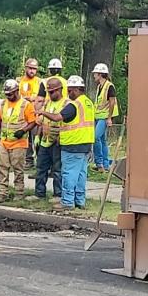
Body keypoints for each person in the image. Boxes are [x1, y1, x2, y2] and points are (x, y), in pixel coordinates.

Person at [39, 75, 95, 211]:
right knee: (81, 174)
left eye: (70, 91)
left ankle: (67, 202)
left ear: (76, 90)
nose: (69, 94)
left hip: (72, 145)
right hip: (85, 144)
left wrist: (42, 112)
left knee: (69, 174)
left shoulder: (74, 105)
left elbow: (58, 117)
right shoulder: (88, 103)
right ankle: (79, 201)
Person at [0, 79, 37, 203]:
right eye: (6, 94)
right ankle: (2, 192)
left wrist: (23, 131)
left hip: (19, 142)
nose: (8, 96)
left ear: (16, 91)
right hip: (4, 142)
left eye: (10, 94)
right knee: (2, 168)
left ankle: (19, 192)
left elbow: (32, 122)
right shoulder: (3, 104)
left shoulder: (26, 105)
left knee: (18, 169)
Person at [27, 76, 64, 204]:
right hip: (45, 140)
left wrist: (61, 137)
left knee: (57, 169)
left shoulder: (65, 103)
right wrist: (38, 135)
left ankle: (58, 194)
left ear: (60, 90)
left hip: (57, 141)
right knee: (41, 167)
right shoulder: (48, 103)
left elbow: (64, 123)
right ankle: (39, 193)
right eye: (49, 92)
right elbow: (43, 121)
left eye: (53, 91)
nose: (50, 94)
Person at [92, 63, 119, 172]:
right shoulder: (100, 86)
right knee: (102, 140)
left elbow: (112, 102)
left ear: (100, 74)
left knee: (95, 137)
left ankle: (99, 164)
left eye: (95, 74)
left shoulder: (109, 86)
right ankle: (106, 165)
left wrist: (109, 118)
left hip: (105, 116)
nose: (94, 76)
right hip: (99, 115)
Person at [17, 58, 41, 170]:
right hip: (23, 114)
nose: (32, 71)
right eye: (30, 68)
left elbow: (41, 97)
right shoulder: (20, 81)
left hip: (35, 113)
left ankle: (40, 161)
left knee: (37, 138)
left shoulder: (39, 82)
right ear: (26, 68)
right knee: (26, 138)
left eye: (34, 69)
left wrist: (32, 98)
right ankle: (28, 160)